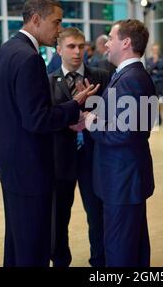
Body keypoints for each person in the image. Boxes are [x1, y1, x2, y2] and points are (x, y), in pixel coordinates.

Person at [0, 0, 98, 267]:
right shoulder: (29, 58)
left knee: (17, 236)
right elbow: (37, 119)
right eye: (56, 21)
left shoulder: (6, 50)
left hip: (8, 157)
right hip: (28, 163)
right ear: (36, 19)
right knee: (34, 243)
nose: (59, 29)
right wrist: (76, 104)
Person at [85, 19, 156, 267]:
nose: (106, 44)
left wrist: (90, 122)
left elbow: (123, 134)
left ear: (125, 43)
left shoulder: (130, 79)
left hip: (122, 179)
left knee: (120, 250)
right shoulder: (129, 75)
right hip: (126, 178)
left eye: (111, 38)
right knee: (132, 246)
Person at [48, 27, 110, 267]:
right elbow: (45, 120)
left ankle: (100, 263)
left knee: (97, 216)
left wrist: (92, 118)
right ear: (59, 49)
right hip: (60, 160)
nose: (77, 52)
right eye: (71, 46)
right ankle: (61, 262)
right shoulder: (48, 80)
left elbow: (115, 115)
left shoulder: (102, 76)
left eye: (81, 46)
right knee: (59, 218)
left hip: (94, 158)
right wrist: (70, 119)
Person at [145, 43, 163, 126]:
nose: (155, 50)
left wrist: (155, 72)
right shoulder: (148, 60)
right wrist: (155, 63)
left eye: (157, 49)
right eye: (154, 49)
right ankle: (159, 120)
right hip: (154, 85)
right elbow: (148, 71)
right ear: (152, 50)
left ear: (158, 50)